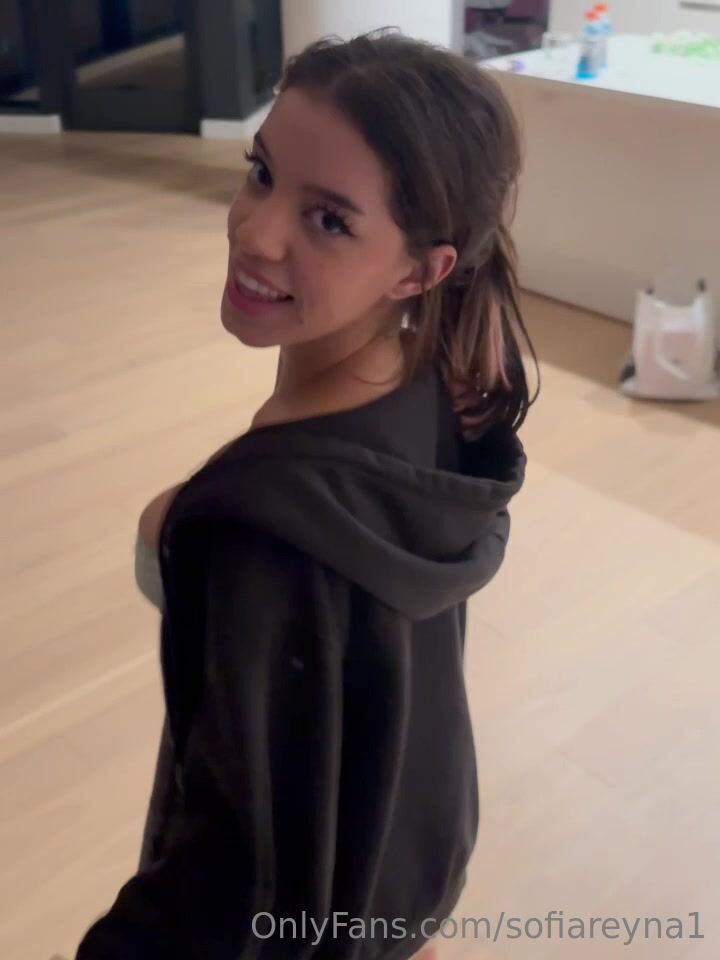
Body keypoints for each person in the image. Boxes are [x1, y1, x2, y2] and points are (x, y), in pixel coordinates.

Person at [75, 28, 538, 960]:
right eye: (261, 173)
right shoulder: (433, 390)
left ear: (421, 270)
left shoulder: (262, 535)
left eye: (329, 219)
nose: (255, 231)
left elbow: (224, 887)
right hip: (403, 875)